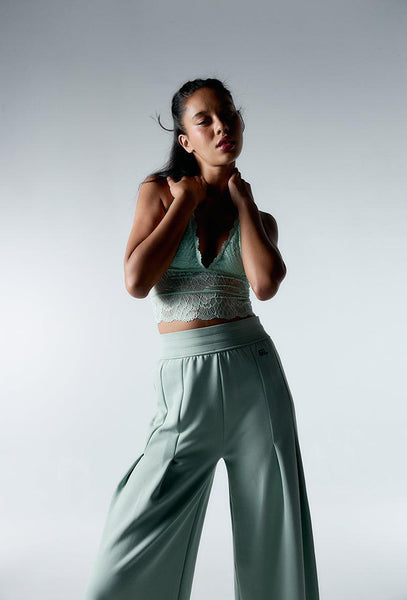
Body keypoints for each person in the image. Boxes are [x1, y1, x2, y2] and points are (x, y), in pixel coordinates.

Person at [84, 77, 320, 600]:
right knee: (135, 531)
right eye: (204, 120)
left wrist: (245, 202)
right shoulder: (159, 193)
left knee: (273, 526)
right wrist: (184, 204)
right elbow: (136, 281)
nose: (221, 127)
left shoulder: (258, 217)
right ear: (185, 140)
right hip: (185, 383)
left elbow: (265, 284)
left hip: (255, 378)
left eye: (228, 114)